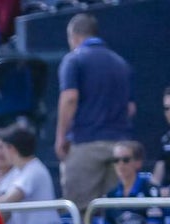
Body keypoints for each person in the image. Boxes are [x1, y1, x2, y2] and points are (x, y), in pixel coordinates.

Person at [54, 12, 134, 213]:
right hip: (120, 148)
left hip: (85, 144)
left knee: (79, 213)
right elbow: (131, 108)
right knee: (114, 214)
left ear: (74, 36)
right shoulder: (121, 63)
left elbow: (70, 98)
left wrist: (61, 136)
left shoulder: (73, 60)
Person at [0, 124, 67, 224]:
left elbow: (8, 200)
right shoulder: (19, 172)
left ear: (12, 149)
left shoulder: (34, 170)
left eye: (4, 147)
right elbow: (5, 213)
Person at [100, 139, 162, 224]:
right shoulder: (110, 195)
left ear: (138, 163)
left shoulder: (151, 190)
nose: (120, 164)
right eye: (116, 160)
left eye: (125, 160)